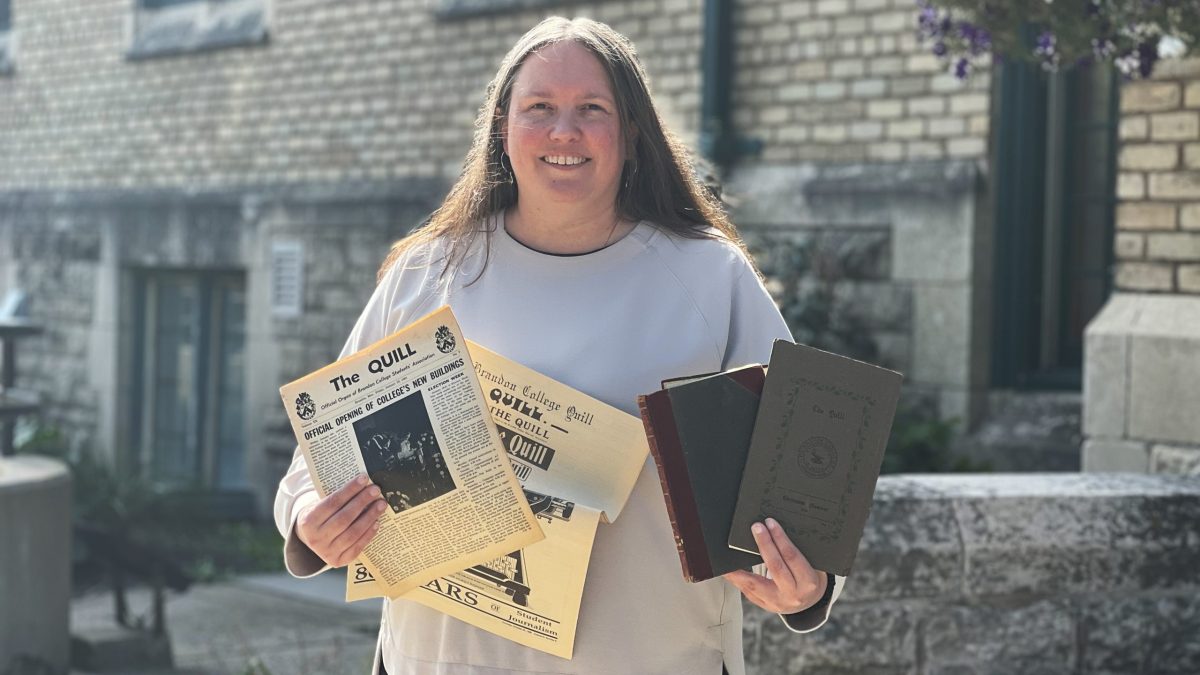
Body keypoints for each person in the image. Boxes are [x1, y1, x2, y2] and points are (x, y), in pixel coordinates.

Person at [274, 16, 844, 675]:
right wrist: (312, 519)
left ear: (632, 134)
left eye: (592, 109)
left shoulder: (710, 278)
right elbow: (316, 459)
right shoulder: (426, 273)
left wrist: (810, 585)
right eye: (539, 107)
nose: (564, 131)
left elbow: (806, 482)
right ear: (502, 129)